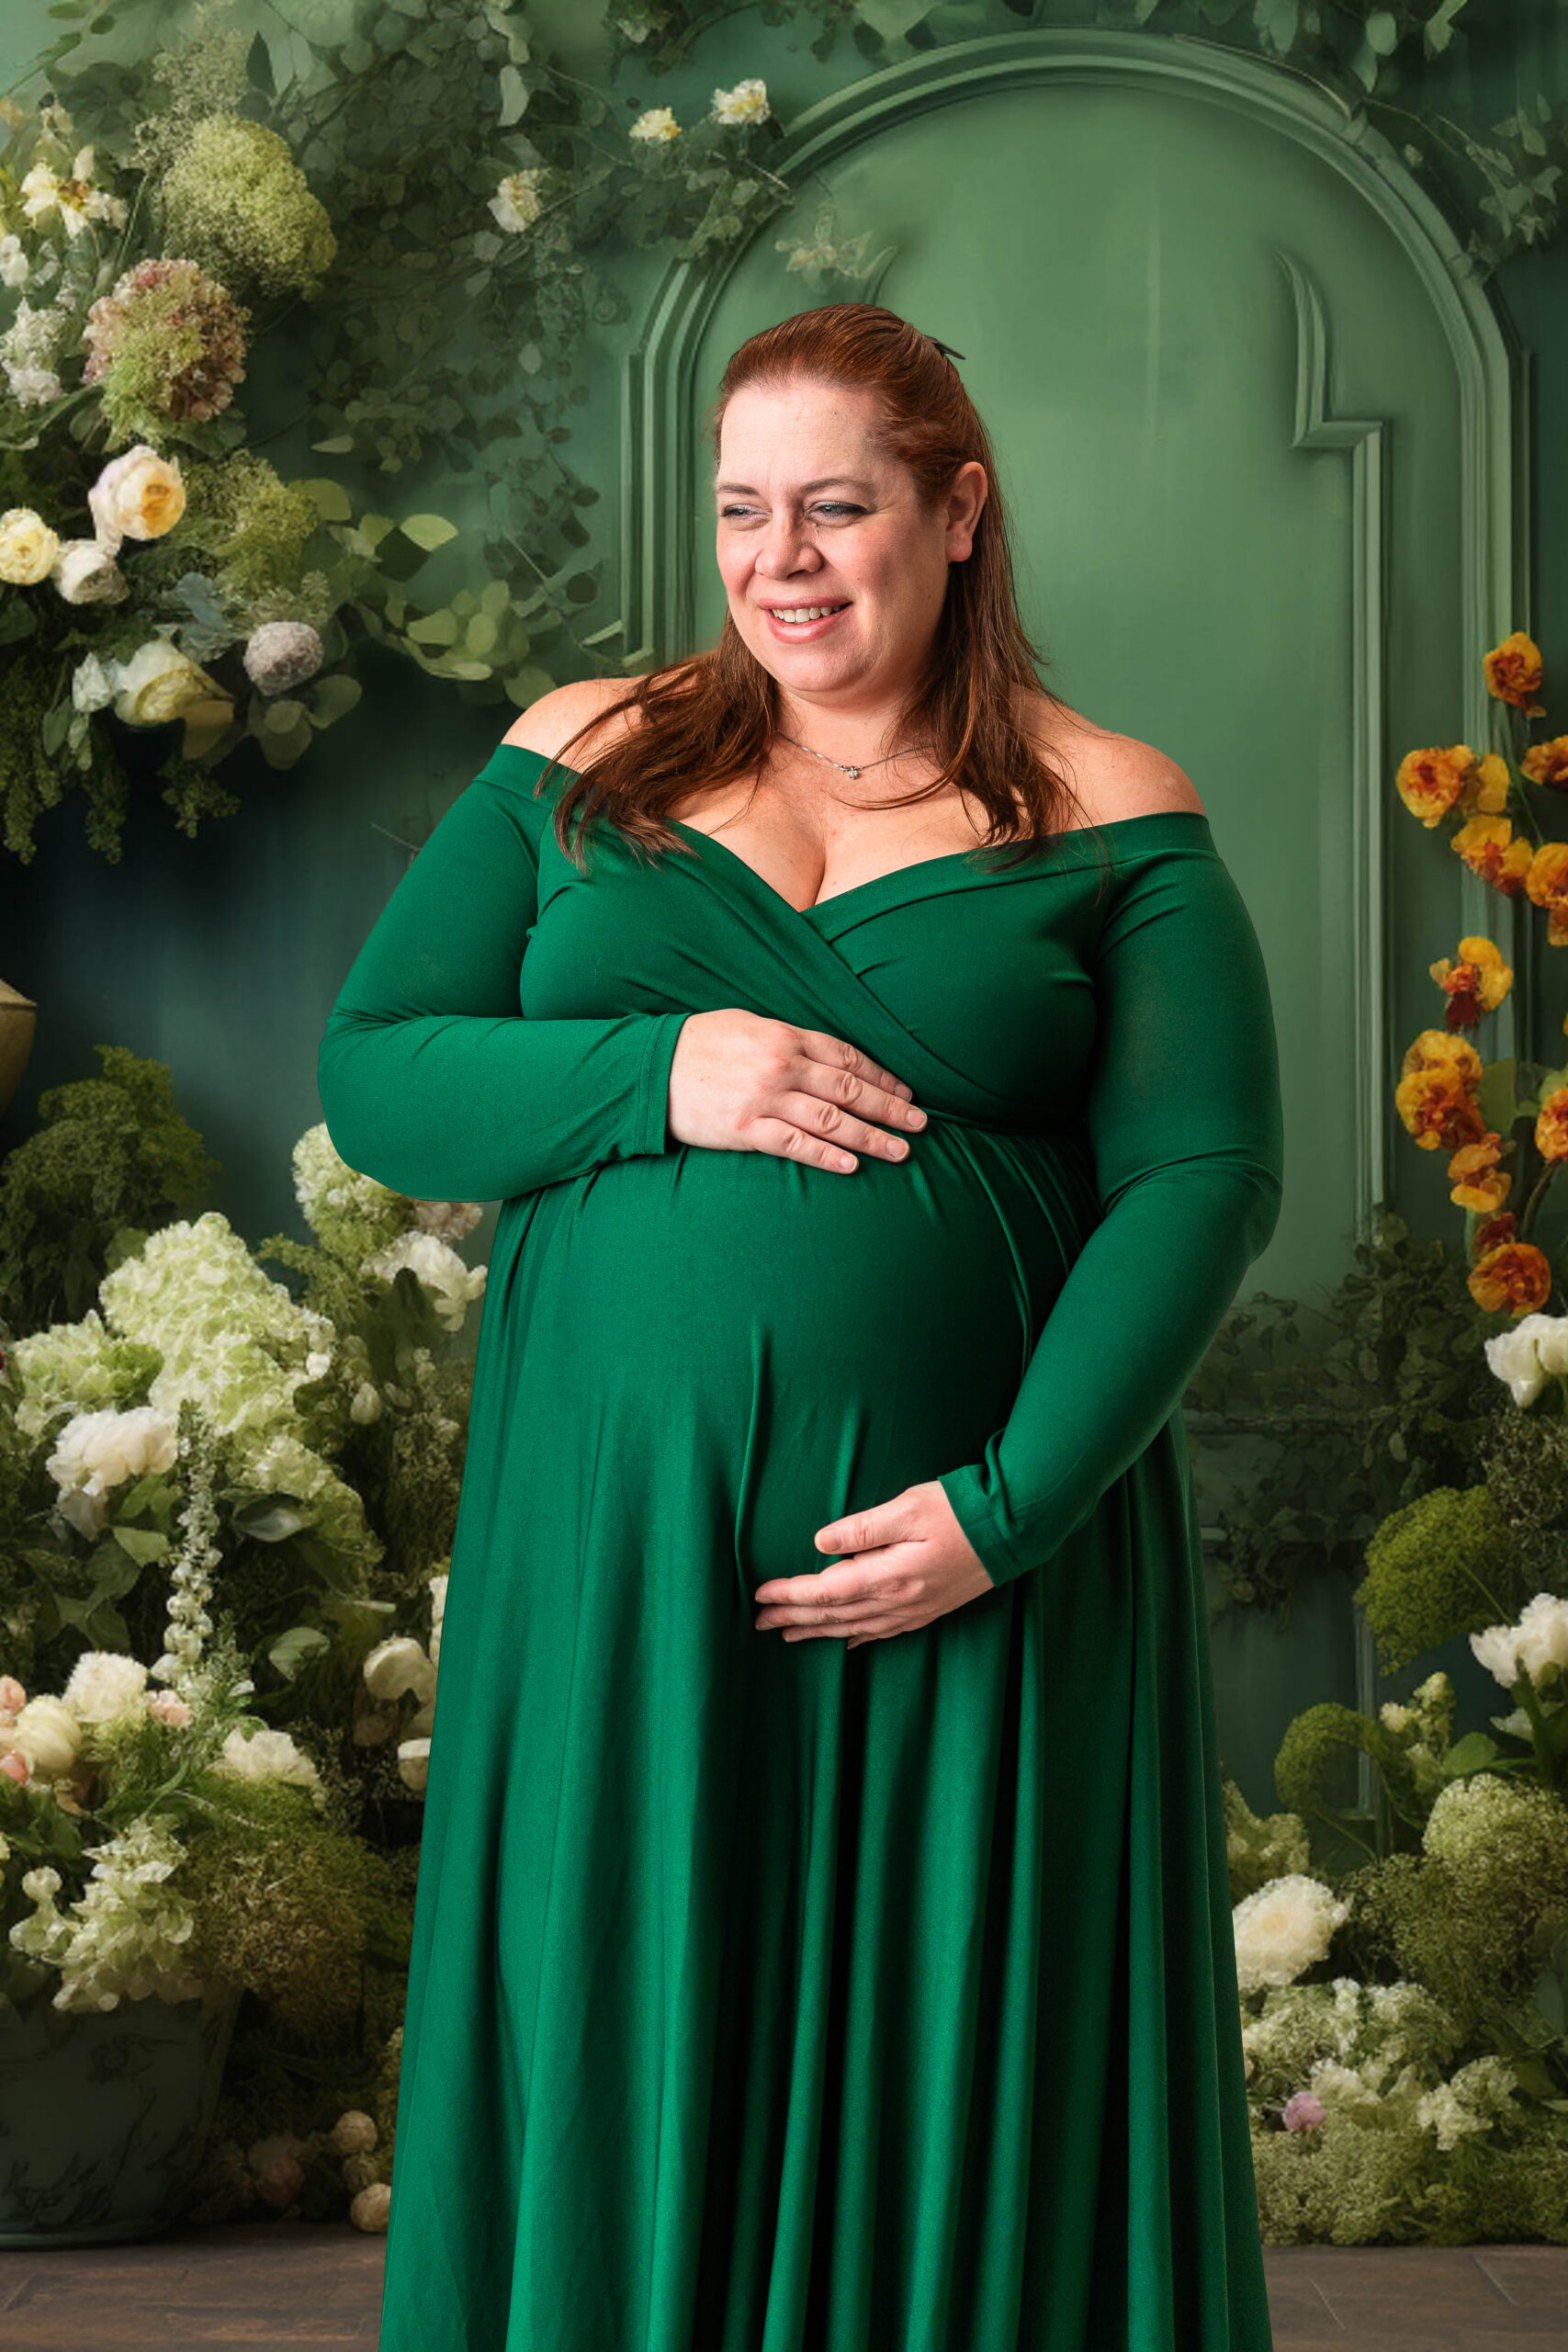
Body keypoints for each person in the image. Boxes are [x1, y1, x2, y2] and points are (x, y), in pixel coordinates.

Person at [317, 301, 1283, 2351]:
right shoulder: (584, 749)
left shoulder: (1107, 806)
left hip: (966, 1565)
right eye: (745, 510)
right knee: (627, 1999)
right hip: (619, 1555)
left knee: (953, 2038)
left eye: (837, 507)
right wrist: (655, 1078)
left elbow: (1200, 1179)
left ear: (956, 510)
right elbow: (381, 1066)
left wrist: (1006, 1506)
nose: (784, 561)